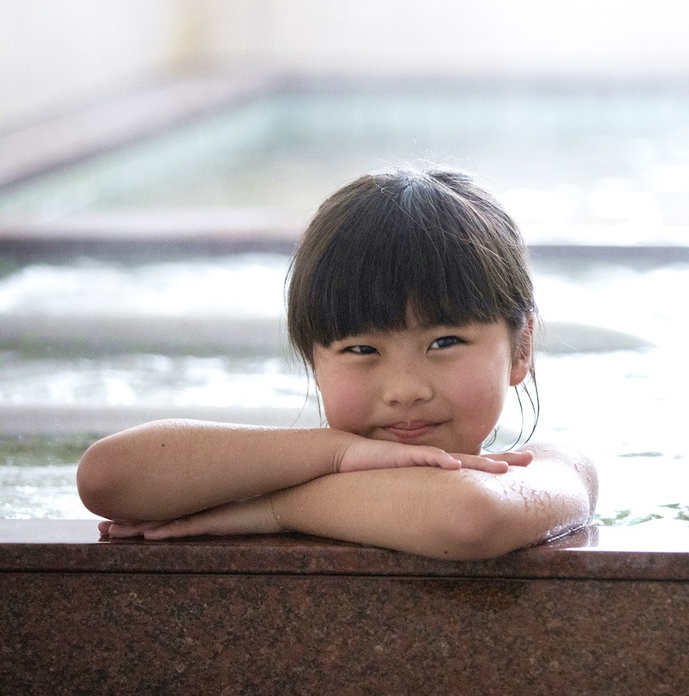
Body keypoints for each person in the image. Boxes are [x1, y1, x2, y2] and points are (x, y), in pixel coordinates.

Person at [78, 164, 598, 560]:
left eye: (444, 343)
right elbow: (107, 479)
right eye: (361, 350)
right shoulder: (303, 458)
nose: (405, 389)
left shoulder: (551, 465)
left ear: (521, 346)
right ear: (313, 361)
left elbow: (469, 516)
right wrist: (334, 453)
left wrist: (276, 509)